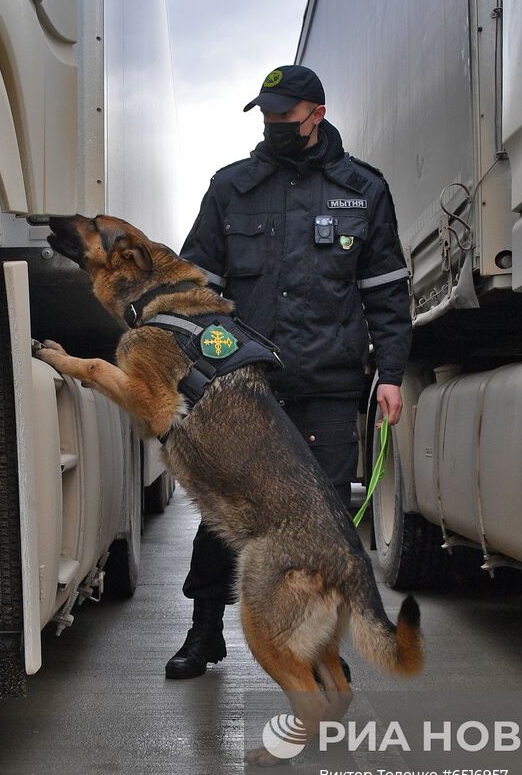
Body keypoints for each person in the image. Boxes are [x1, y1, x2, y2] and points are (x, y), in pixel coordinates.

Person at [166, 64, 413, 679]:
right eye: (268, 117)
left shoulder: (364, 191)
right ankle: (203, 632)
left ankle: (323, 651)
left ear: (317, 116)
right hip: (245, 392)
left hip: (328, 384)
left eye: (286, 117)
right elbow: (196, 292)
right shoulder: (232, 189)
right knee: (225, 512)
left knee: (324, 520)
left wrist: (391, 373)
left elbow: (386, 290)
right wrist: (197, 371)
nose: (275, 126)